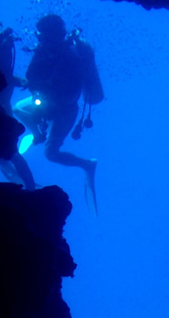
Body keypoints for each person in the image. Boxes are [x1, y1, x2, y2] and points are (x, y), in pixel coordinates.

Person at [12, 14, 104, 208]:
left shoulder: (72, 55)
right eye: (40, 36)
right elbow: (31, 75)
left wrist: (48, 98)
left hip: (65, 111)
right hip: (46, 102)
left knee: (51, 154)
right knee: (18, 109)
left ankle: (87, 164)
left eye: (43, 36)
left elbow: (71, 93)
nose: (40, 40)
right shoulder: (44, 50)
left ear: (53, 34)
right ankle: (37, 134)